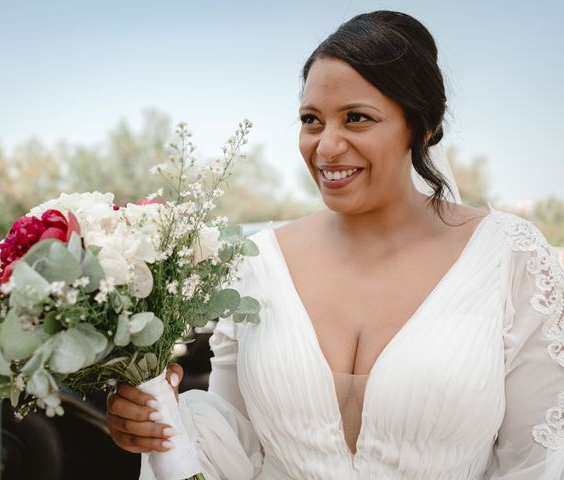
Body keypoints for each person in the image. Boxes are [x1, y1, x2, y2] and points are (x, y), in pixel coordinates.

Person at [106, 10, 564, 479]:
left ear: (422, 127)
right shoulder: (261, 262)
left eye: (357, 118)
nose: (326, 147)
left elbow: (537, 459)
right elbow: (236, 442)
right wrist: (159, 424)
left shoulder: (509, 257)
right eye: (311, 120)